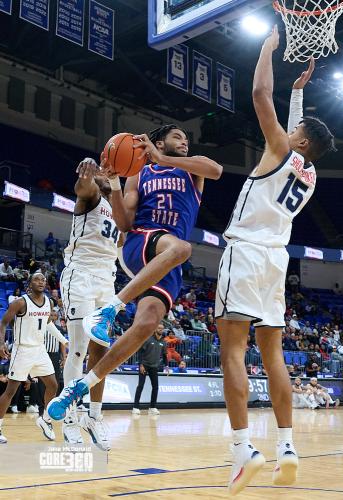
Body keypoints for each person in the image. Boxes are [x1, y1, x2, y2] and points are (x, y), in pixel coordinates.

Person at [214, 26, 335, 495]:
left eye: (296, 129)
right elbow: (294, 131)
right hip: (275, 263)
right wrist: (300, 94)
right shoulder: (310, 174)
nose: (289, 130)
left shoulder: (282, 150)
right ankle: (287, 446)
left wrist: (267, 49)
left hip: (245, 253)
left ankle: (243, 449)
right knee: (274, 354)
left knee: (232, 350)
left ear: (298, 141)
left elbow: (259, 91)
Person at [47, 125, 222, 421]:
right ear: (158, 142)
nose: (184, 141)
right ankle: (111, 309)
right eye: (177, 137)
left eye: (186, 138)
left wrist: (164, 159)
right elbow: (124, 223)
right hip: (141, 241)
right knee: (183, 249)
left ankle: (80, 388)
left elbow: (216, 169)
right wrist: (115, 184)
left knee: (146, 325)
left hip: (165, 257)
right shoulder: (139, 174)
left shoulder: (192, 170)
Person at [57, 157, 118, 451]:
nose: (107, 174)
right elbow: (82, 187)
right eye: (104, 171)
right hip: (81, 274)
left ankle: (94, 416)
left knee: (102, 352)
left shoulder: (119, 206)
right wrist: (88, 173)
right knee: (79, 349)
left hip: (107, 279)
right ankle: (70, 419)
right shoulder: (92, 193)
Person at [0, 272, 59, 443]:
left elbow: (47, 323)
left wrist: (63, 340)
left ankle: (45, 420)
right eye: (37, 279)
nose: (41, 281)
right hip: (23, 350)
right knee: (10, 391)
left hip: (40, 350)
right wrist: (1, 343)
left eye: (43, 279)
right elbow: (4, 323)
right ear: (29, 283)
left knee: (53, 385)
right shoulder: (20, 302)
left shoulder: (49, 302)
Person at [132, 324, 167, 416]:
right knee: (140, 385)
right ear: (155, 329)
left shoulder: (163, 342)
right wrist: (141, 364)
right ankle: (135, 407)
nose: (161, 330)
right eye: (159, 328)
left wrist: (167, 366)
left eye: (162, 329)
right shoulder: (148, 339)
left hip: (154, 367)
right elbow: (140, 352)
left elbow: (164, 355)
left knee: (155, 387)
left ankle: (152, 407)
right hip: (145, 365)